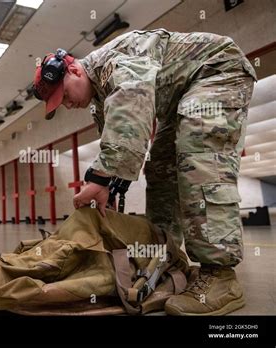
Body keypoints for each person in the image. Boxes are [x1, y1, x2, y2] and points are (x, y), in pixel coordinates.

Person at [33, 29, 257, 315]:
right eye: (60, 103)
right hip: (182, 95)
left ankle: (221, 275)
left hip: (216, 70)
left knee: (196, 156)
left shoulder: (113, 62)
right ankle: (164, 257)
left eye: (64, 95)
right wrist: (110, 187)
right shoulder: (100, 99)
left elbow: (131, 116)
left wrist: (99, 178)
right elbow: (119, 146)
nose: (67, 104)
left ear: (75, 69)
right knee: (161, 170)